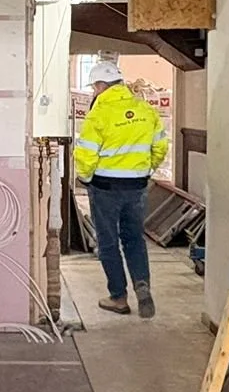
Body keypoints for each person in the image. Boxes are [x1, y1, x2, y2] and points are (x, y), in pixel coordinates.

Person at [72, 57, 169, 318]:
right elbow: (161, 146)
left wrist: (85, 177)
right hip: (136, 185)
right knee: (134, 238)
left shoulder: (99, 114)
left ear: (102, 85)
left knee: (108, 242)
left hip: (105, 186)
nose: (94, 91)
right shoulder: (145, 110)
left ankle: (118, 297)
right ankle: (142, 285)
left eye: (95, 87)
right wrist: (146, 170)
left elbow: (85, 154)